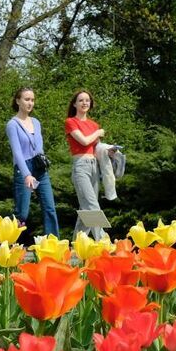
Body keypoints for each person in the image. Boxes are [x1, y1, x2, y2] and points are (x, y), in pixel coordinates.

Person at [7, 88, 60, 240]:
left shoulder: (36, 122)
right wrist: (26, 174)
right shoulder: (13, 124)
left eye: (32, 100)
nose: (30, 103)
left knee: (49, 207)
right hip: (23, 167)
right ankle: (10, 243)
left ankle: (53, 243)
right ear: (18, 101)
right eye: (26, 99)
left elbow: (39, 147)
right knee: (22, 212)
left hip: (39, 167)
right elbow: (17, 152)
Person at [65, 89, 110, 240]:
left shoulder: (94, 125)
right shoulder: (71, 122)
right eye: (81, 100)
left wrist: (110, 151)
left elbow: (96, 148)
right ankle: (103, 242)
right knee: (92, 206)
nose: (85, 103)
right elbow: (84, 141)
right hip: (81, 166)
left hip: (94, 166)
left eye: (87, 100)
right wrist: (98, 133)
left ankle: (76, 245)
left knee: (86, 207)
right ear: (74, 104)